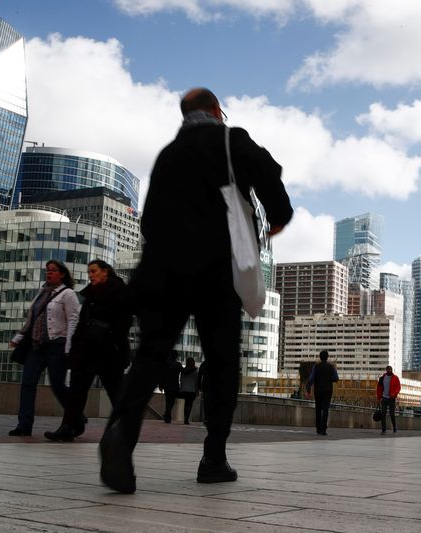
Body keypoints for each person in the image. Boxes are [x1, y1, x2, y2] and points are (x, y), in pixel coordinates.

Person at [98, 87, 293, 493]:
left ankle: (121, 432)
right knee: (222, 362)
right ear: (216, 110)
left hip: (163, 269)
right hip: (215, 268)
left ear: (185, 114)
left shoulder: (169, 154)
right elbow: (267, 170)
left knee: (152, 354)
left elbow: (148, 220)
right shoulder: (229, 138)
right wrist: (278, 216)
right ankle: (214, 457)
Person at [45, 260, 132, 442]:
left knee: (115, 390)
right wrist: (76, 345)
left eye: (93, 271)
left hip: (109, 352)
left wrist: (109, 338)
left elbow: (124, 323)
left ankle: (126, 428)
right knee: (77, 390)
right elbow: (82, 322)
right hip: (86, 350)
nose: (90, 275)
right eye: (89, 272)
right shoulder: (91, 294)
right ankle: (68, 427)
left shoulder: (119, 291)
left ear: (105, 272)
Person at [8, 260, 80, 437]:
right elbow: (32, 318)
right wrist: (19, 336)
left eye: (53, 270)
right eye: (47, 270)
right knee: (28, 383)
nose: (49, 273)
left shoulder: (68, 294)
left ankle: (76, 416)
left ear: (62, 274)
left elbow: (73, 320)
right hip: (37, 345)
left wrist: (69, 345)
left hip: (57, 344)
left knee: (57, 385)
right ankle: (24, 426)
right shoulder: (42, 292)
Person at [305, 349, 339, 436]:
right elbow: (336, 378)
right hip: (327, 391)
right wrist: (329, 379)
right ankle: (323, 429)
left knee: (318, 409)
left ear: (320, 357)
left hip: (318, 390)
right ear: (327, 357)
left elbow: (310, 379)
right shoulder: (331, 367)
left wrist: (308, 390)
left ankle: (318, 428)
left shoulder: (316, 367)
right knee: (325, 410)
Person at [376, 365, 401, 434]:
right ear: (386, 370)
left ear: (392, 370)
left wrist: (395, 393)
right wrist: (378, 398)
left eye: (390, 369)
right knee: (383, 414)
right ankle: (383, 429)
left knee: (392, 414)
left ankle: (394, 427)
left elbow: (398, 387)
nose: (389, 370)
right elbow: (378, 388)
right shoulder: (382, 378)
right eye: (388, 369)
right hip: (384, 398)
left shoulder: (395, 378)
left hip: (391, 399)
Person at [160, 352, 183, 423]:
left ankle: (167, 415)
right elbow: (184, 371)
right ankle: (167, 414)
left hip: (167, 386)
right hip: (175, 385)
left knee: (168, 401)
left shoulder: (166, 365)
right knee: (171, 401)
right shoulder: (178, 365)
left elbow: (162, 375)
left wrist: (161, 385)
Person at [179, 357, 199, 424]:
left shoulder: (183, 370)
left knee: (186, 404)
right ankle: (186, 419)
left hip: (184, 390)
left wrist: (181, 388)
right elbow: (197, 382)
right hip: (192, 390)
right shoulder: (196, 371)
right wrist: (197, 391)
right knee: (189, 404)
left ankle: (185, 418)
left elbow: (181, 380)